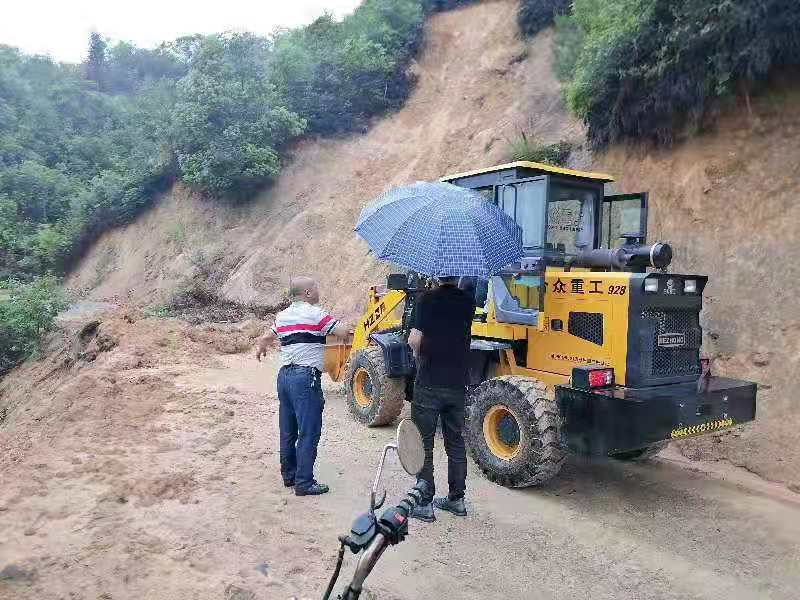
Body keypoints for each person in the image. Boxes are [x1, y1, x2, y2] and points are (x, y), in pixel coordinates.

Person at [255, 276, 349, 496]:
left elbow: (267, 337)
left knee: (288, 430)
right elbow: (343, 333)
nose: (318, 292)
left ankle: (289, 477)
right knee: (309, 431)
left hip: (284, 377)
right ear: (307, 293)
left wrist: (261, 346)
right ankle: (304, 483)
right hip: (305, 377)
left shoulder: (282, 316)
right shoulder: (316, 314)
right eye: (316, 288)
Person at [407, 275, 475, 521]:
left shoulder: (426, 300)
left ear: (437, 273)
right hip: (457, 383)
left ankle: (424, 503)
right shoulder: (468, 301)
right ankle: (457, 500)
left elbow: (414, 339)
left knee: (424, 442)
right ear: (458, 276)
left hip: (429, 383)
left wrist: (419, 352)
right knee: (455, 442)